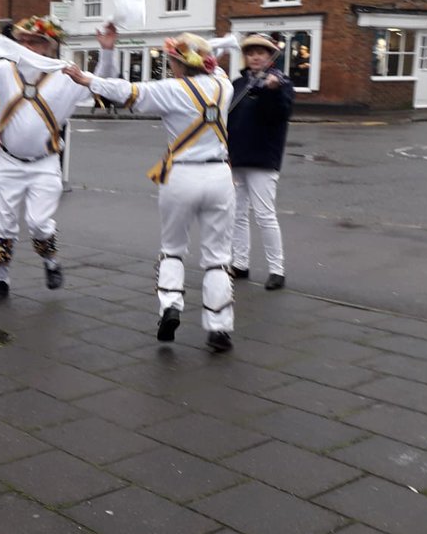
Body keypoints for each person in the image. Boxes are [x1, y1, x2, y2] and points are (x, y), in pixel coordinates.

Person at [65, 23, 236, 352]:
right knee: (217, 258)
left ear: (176, 63)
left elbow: (127, 91)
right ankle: (219, 329)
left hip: (180, 177)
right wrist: (220, 45)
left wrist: (86, 79)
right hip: (219, 176)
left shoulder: (169, 90)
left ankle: (170, 305)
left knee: (173, 248)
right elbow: (214, 65)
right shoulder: (222, 87)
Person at [0, 11, 91, 302]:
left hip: (45, 163)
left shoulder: (65, 77)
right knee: (2, 224)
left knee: (38, 222)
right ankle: (1, 280)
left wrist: (108, 50)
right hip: (8, 162)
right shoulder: (4, 70)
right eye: (25, 41)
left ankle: (50, 263)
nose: (31, 47)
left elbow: (96, 82)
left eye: (37, 42)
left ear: (49, 45)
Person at [229, 33, 294, 291]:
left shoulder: (280, 82)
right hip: (237, 158)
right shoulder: (237, 84)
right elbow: (229, 119)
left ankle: (276, 270)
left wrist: (273, 92)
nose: (255, 56)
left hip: (263, 158)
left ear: (270, 57)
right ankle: (240, 264)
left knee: (265, 216)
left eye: (261, 53)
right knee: (237, 215)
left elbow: (279, 114)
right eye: (251, 52)